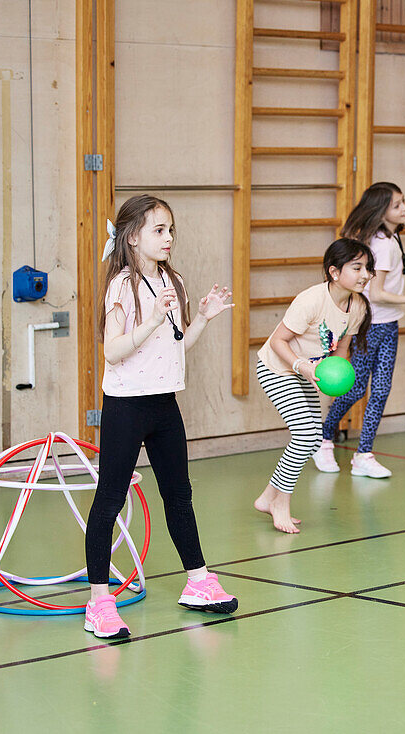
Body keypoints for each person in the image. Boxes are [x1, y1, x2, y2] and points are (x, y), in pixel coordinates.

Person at [85, 194, 237, 639]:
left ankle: (198, 581)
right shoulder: (121, 286)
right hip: (126, 406)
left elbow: (176, 347)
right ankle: (99, 603)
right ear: (132, 238)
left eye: (171, 230)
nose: (168, 238)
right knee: (110, 500)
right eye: (158, 230)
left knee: (179, 494)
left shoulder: (174, 280)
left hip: (164, 405)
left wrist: (204, 319)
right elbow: (112, 353)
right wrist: (150, 319)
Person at [310, 182, 405, 478]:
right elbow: (375, 293)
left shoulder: (389, 239)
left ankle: (364, 453)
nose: (404, 208)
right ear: (381, 211)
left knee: (380, 391)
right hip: (369, 326)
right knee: (355, 389)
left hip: (388, 324)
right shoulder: (381, 244)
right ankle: (323, 438)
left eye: (404, 202)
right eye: (397, 205)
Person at [254, 238, 373, 532]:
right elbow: (278, 341)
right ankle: (279, 502)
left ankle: (269, 496)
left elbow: (342, 350)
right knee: (307, 435)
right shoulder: (311, 300)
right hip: (278, 367)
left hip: (310, 370)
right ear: (334, 272)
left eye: (368, 268)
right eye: (357, 267)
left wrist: (335, 379)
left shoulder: (356, 306)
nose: (365, 274)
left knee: (310, 436)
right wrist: (300, 366)